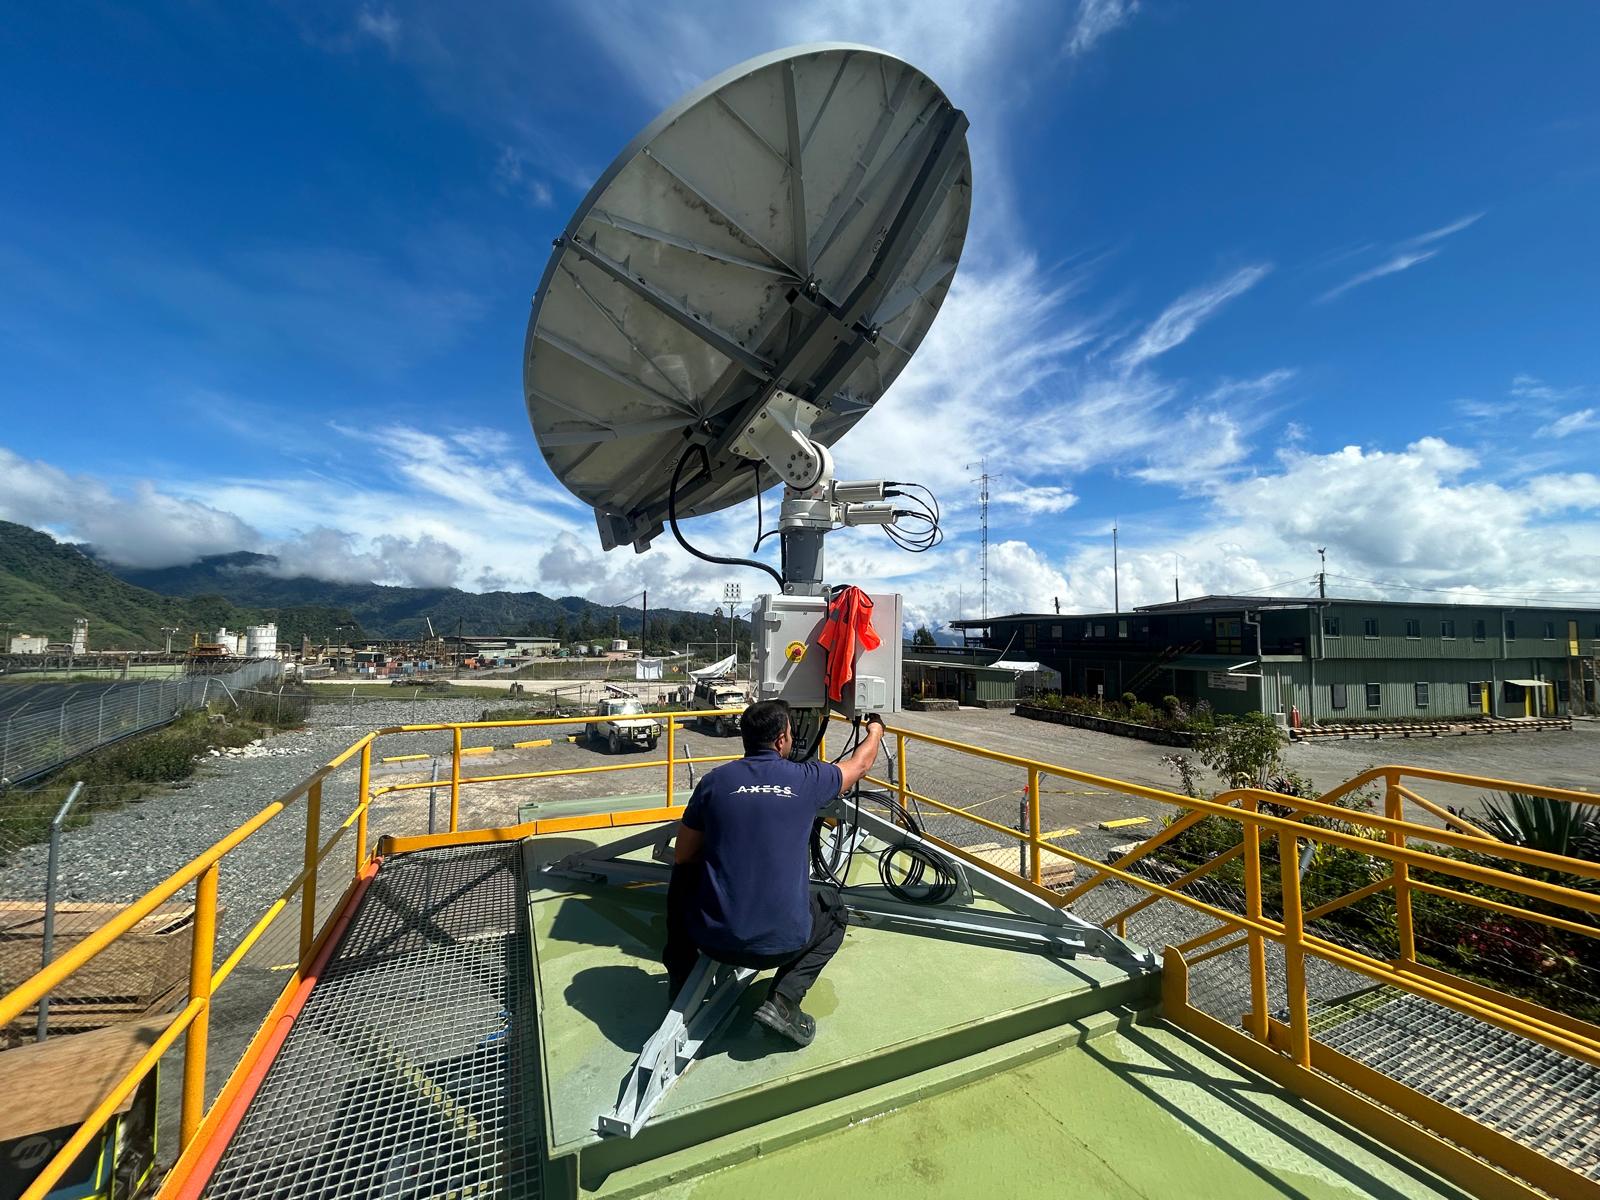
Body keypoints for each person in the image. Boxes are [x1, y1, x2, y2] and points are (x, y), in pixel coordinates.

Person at [663, 698, 885, 1046]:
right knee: (834, 910)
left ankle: (680, 975)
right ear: (783, 738)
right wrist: (875, 728)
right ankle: (783, 1000)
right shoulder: (807, 779)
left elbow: (684, 854)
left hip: (712, 941)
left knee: (682, 876)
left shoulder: (714, 783)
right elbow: (861, 764)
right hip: (783, 946)